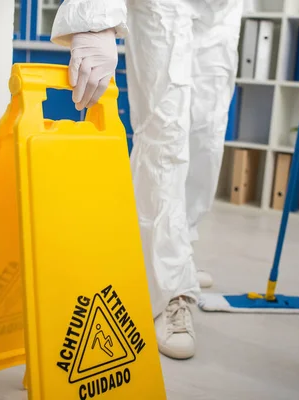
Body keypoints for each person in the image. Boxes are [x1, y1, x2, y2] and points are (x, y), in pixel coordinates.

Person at [52, 0, 243, 360]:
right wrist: (96, 22)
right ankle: (170, 289)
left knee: (207, 132)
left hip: (221, 7)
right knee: (164, 136)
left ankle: (176, 252)